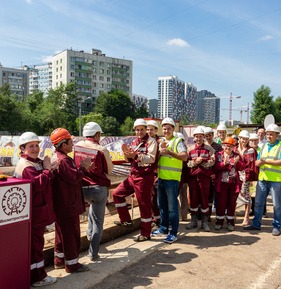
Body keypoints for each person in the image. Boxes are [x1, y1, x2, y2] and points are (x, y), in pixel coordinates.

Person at [14, 132, 57, 287]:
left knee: (37, 243)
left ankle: (37, 275)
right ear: (23, 149)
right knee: (35, 245)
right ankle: (38, 277)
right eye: (30, 146)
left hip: (37, 211)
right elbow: (39, 184)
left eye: (36, 145)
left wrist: (49, 169)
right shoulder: (26, 166)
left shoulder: (34, 162)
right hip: (33, 212)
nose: (35, 148)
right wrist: (47, 170)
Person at [51, 128, 92, 273]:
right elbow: (74, 178)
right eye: (70, 141)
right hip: (68, 204)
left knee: (61, 233)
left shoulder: (56, 157)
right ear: (63, 144)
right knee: (70, 234)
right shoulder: (64, 161)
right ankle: (72, 264)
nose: (72, 144)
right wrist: (83, 168)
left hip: (61, 204)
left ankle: (59, 260)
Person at [113, 119, 157, 242]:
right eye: (137, 129)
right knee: (117, 194)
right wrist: (126, 154)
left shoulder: (151, 142)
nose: (139, 131)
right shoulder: (134, 142)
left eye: (142, 129)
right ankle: (126, 220)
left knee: (144, 205)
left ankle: (146, 233)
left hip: (144, 177)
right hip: (133, 175)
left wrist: (136, 156)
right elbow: (130, 160)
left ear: (145, 129)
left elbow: (152, 159)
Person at [74, 122, 113, 261]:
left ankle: (89, 233)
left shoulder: (76, 147)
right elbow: (109, 170)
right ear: (97, 134)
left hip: (82, 188)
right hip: (98, 188)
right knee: (98, 223)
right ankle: (93, 253)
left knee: (91, 208)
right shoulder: (101, 149)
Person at [151, 117, 187, 243]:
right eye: (164, 129)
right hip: (161, 178)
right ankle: (163, 228)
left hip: (172, 179)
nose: (166, 131)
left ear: (173, 129)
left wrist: (169, 152)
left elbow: (184, 156)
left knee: (172, 208)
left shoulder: (178, 141)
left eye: (169, 129)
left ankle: (173, 233)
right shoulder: (161, 142)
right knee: (162, 205)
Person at [244, 124, 281, 236]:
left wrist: (265, 162)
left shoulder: (280, 146)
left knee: (277, 205)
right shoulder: (263, 146)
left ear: (277, 135)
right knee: (259, 203)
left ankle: (277, 226)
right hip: (262, 178)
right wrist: (258, 163)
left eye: (271, 134)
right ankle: (256, 224)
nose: (269, 136)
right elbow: (258, 160)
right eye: (267, 134)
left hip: (276, 180)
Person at [186, 126, 215, 232]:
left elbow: (213, 162)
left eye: (200, 137)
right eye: (197, 137)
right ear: (194, 137)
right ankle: (193, 221)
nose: (198, 139)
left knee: (204, 199)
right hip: (193, 178)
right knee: (193, 199)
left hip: (204, 178)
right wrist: (194, 162)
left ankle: (204, 222)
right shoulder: (190, 149)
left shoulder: (209, 149)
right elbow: (187, 163)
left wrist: (202, 162)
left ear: (203, 137)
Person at [213, 137, 244, 231]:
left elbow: (242, 167)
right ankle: (219, 222)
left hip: (233, 183)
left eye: (230, 146)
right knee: (221, 203)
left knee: (231, 203)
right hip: (221, 183)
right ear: (222, 146)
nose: (227, 148)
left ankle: (230, 222)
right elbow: (214, 167)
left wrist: (237, 163)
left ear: (234, 147)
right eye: (226, 146)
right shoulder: (218, 155)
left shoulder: (237, 156)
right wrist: (223, 164)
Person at [236, 130, 258, 226]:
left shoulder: (251, 150)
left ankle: (246, 217)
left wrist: (253, 178)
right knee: (235, 196)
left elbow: (254, 165)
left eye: (246, 139)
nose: (244, 141)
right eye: (242, 139)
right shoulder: (235, 149)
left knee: (247, 196)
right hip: (235, 176)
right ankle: (233, 215)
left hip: (247, 176)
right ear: (239, 139)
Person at [204, 127, 223, 219]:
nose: (208, 137)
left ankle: (209, 215)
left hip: (214, 174)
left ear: (213, 135)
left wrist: (214, 172)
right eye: (206, 135)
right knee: (204, 195)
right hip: (204, 173)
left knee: (211, 195)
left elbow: (219, 161)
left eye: (210, 135)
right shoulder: (202, 145)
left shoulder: (218, 147)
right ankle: (203, 215)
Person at [146, 120, 161, 227]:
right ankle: (151, 219)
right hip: (146, 173)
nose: (149, 131)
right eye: (147, 129)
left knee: (155, 198)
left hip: (157, 174)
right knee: (148, 198)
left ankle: (156, 220)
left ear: (156, 130)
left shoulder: (160, 142)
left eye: (151, 129)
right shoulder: (144, 141)